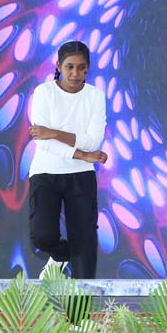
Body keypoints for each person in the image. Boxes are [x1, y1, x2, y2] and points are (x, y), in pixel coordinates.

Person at [28, 41, 108, 279]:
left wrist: (54, 132)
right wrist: (82, 155)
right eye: (69, 67)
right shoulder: (44, 92)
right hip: (45, 173)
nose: (75, 74)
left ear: (88, 68)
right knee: (42, 237)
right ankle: (60, 256)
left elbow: (92, 142)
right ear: (58, 66)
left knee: (84, 242)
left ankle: (82, 304)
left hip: (82, 176)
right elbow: (42, 141)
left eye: (81, 68)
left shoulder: (95, 96)